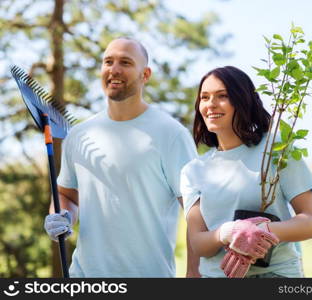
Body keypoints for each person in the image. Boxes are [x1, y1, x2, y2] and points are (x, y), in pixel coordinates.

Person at [43, 37, 199, 277]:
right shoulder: (79, 135)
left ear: (145, 74)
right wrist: (62, 215)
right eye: (108, 62)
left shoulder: (171, 134)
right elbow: (66, 194)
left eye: (125, 62)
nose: (114, 70)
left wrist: (193, 277)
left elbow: (195, 214)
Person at [180, 66, 312, 278]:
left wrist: (263, 231)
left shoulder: (276, 149)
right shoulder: (193, 171)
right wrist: (227, 233)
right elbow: (199, 244)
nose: (210, 104)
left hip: (277, 275)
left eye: (222, 96)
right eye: (205, 97)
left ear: (242, 99)